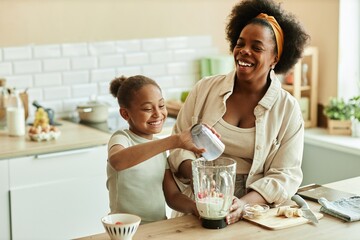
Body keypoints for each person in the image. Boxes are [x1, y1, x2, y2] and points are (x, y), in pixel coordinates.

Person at [168, 0, 310, 225]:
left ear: (275, 58)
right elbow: (177, 145)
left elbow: (286, 175)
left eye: (257, 47)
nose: (244, 51)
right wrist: (201, 180)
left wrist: (243, 205)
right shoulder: (204, 89)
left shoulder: (288, 109)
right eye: (240, 43)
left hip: (256, 210)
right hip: (200, 201)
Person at [106, 75, 211, 224]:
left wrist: (197, 208)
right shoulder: (122, 138)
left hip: (157, 227)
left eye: (161, 106)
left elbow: (173, 196)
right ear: (125, 114)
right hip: (125, 229)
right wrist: (173, 141)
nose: (157, 113)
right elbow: (117, 161)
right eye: (147, 108)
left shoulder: (160, 148)